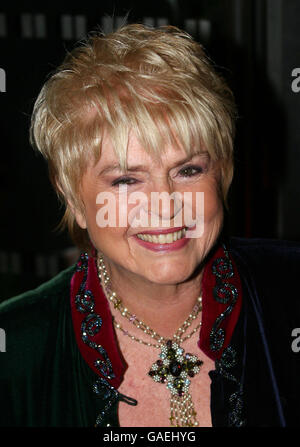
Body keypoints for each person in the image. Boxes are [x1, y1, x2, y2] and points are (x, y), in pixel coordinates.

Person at [0, 23, 299, 428]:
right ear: (74, 199)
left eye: (189, 170)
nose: (165, 207)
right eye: (126, 180)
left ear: (223, 176)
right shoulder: (16, 349)